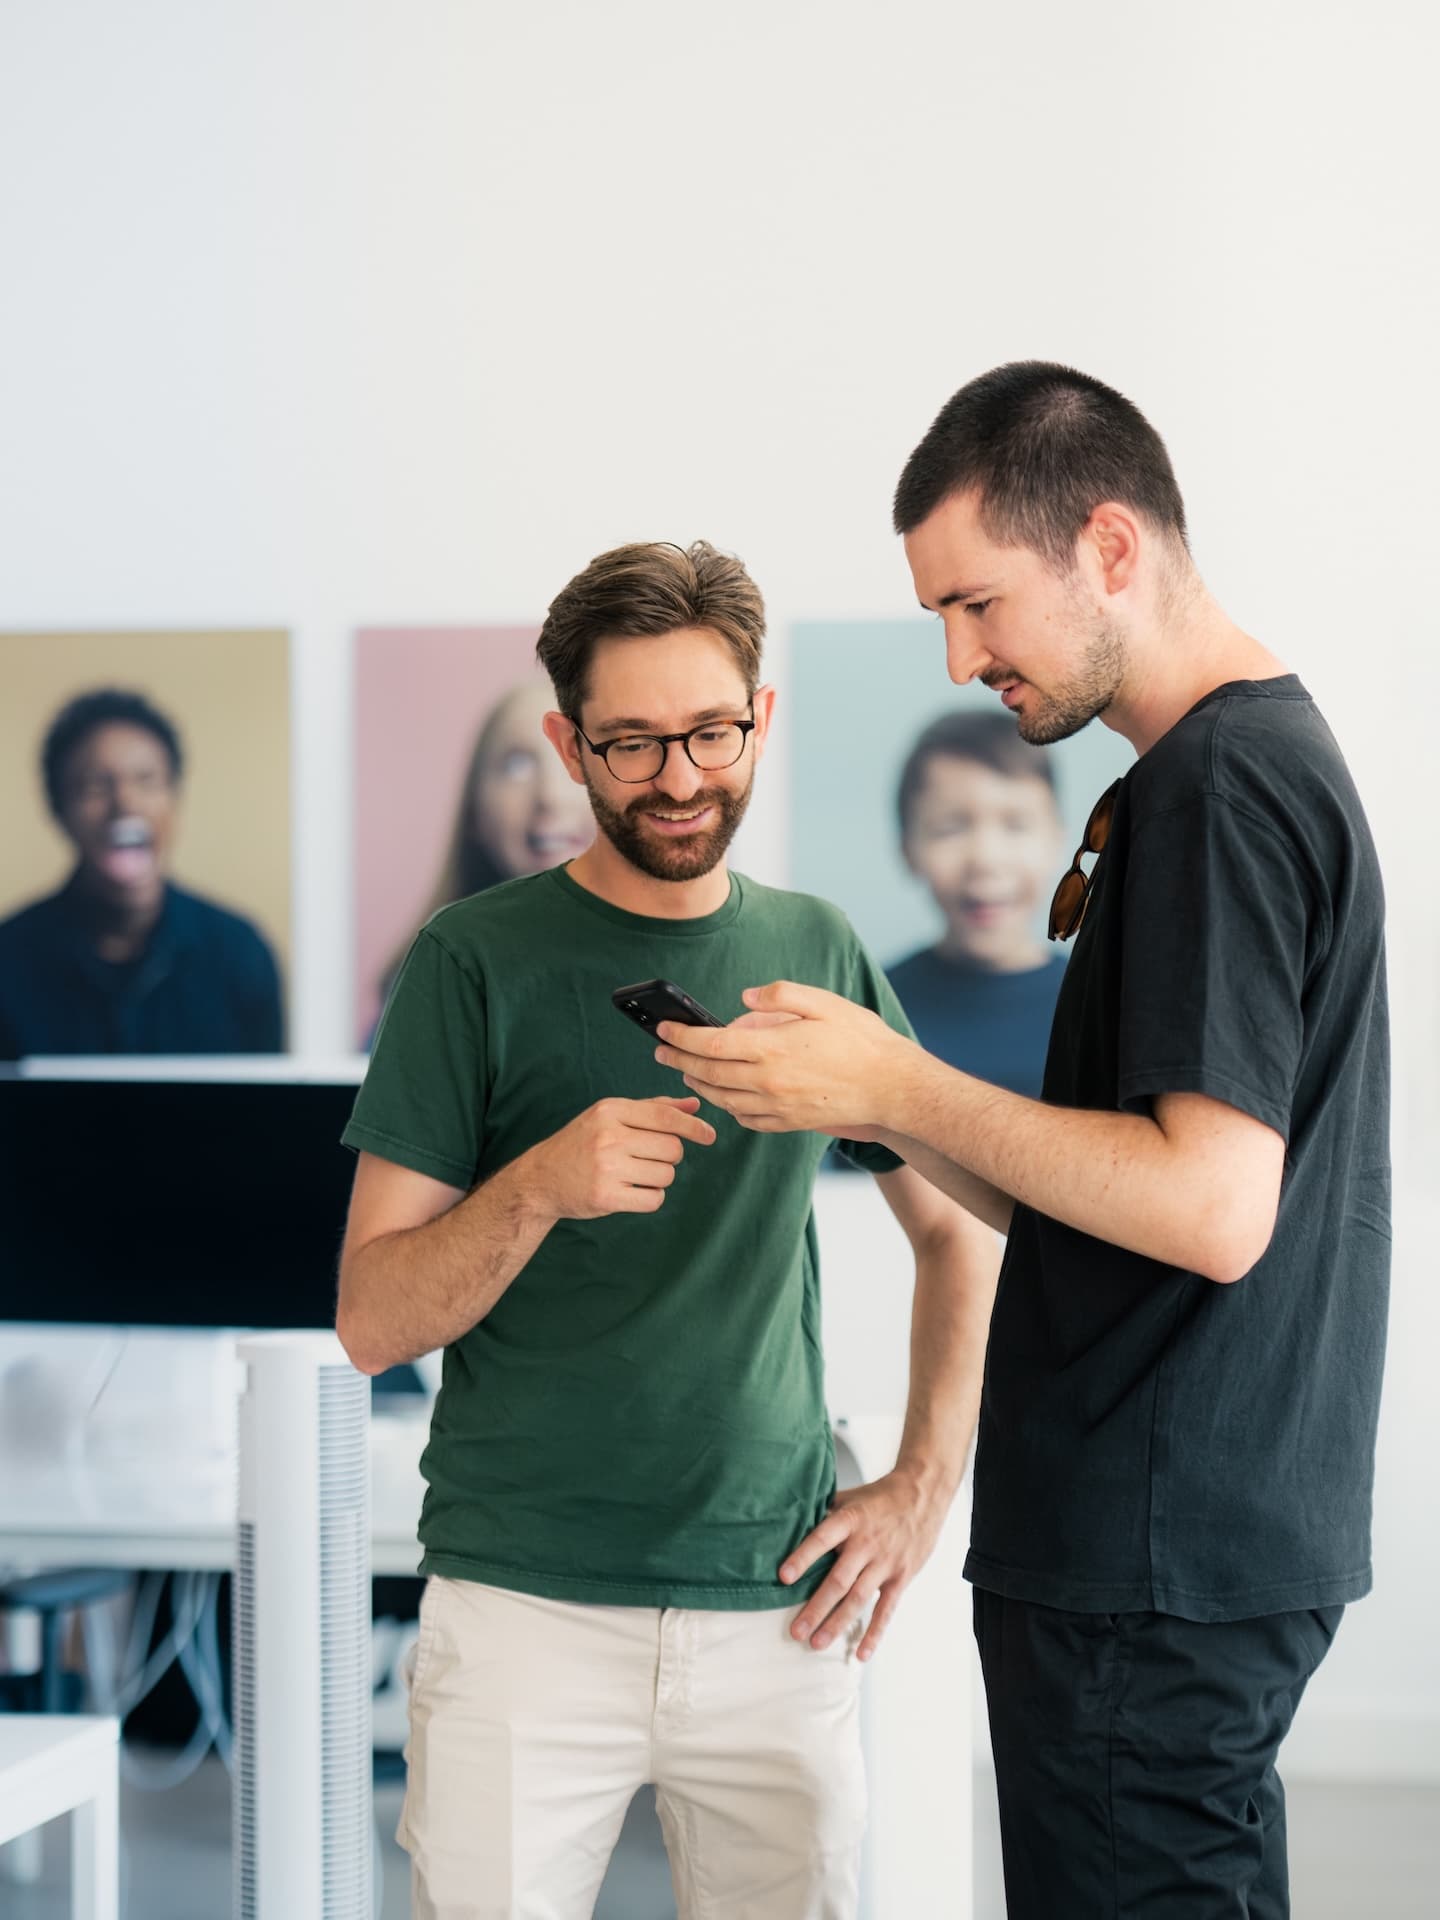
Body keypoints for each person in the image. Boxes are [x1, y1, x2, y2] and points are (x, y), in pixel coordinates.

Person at [653, 365, 1390, 1919]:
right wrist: (861, 1094)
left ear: (1109, 547)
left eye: (979, 604)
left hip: (1149, 1559)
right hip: (1184, 1546)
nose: (959, 654)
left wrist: (905, 1088)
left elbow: (1207, 1208)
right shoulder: (1220, 775)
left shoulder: (1217, 794)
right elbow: (1112, 1184)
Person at [336, 540, 1001, 1920]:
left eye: (708, 731)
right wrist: (534, 1187)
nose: (680, 778)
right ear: (567, 744)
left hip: (777, 1605)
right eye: (632, 744)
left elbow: (958, 1234)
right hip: (520, 1606)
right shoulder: (472, 960)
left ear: (760, 717)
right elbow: (372, 1318)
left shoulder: (819, 952)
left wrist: (922, 1487)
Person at [0, 687, 284, 1057]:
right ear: (59, 809)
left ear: (174, 797)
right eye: (94, 785)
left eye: (147, 780)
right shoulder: (8, 959)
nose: (125, 802)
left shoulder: (240, 954)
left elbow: (268, 1111)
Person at [371, 676, 594, 1022]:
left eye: (574, 759)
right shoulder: (422, 990)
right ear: (475, 812)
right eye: (517, 765)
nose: (550, 796)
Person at [888, 708, 1065, 1097]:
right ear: (908, 848)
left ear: (1057, 838)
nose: (985, 859)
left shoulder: (1110, 1011)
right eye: (950, 827)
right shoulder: (875, 1013)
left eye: (1016, 824)